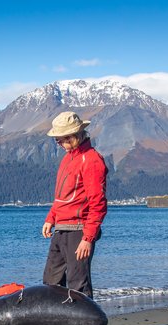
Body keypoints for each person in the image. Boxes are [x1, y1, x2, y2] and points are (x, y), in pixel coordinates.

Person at [42, 111, 108, 298]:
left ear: (75, 136)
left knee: (78, 284)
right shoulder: (68, 158)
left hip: (79, 229)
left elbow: (98, 203)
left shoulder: (92, 160)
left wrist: (87, 238)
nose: (60, 144)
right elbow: (63, 196)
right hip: (61, 229)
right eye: (57, 140)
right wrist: (51, 218)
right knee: (51, 282)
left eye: (62, 139)